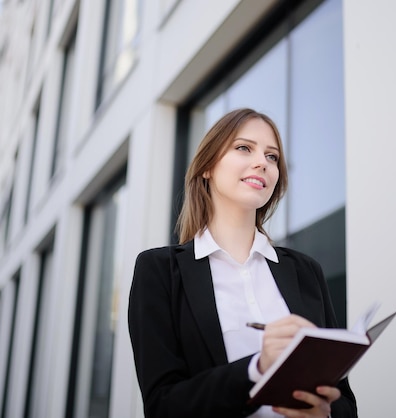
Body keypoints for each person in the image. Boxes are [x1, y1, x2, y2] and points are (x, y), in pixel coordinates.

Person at [128, 108, 358, 418]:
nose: (263, 162)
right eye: (244, 148)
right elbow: (163, 407)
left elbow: (345, 401)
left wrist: (327, 413)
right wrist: (258, 367)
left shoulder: (306, 272)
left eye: (272, 156)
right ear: (207, 167)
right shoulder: (159, 272)